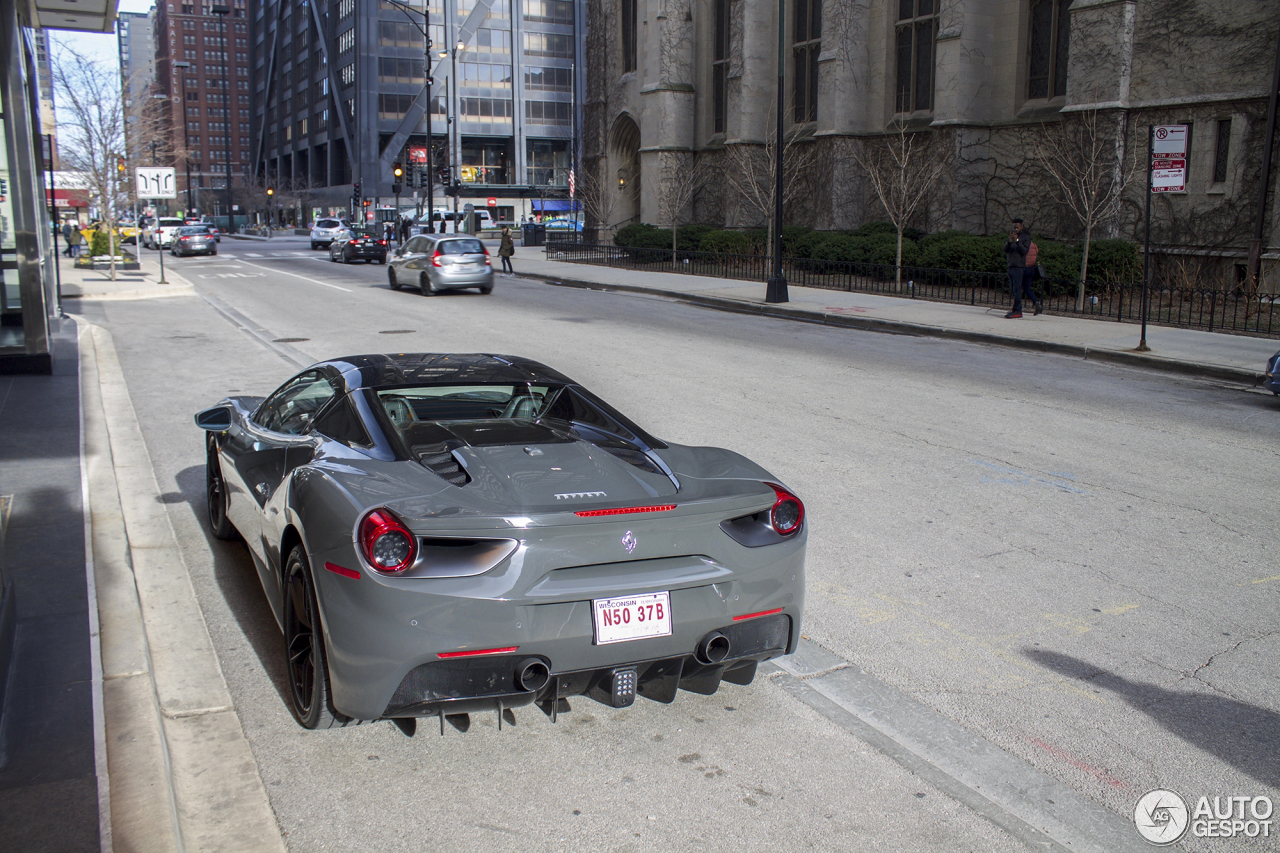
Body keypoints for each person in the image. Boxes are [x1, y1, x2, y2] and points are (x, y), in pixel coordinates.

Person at [1002, 218, 1031, 318]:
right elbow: (1005, 250)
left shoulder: (1025, 237)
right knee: (1013, 289)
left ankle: (1018, 310)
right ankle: (1015, 309)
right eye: (1014, 227)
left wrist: (1017, 241)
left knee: (1017, 289)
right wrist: (1009, 242)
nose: (1015, 230)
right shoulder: (1011, 237)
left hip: (1019, 266)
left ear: (1021, 227)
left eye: (1017, 227)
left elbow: (1024, 251)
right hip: (1011, 265)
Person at [1022, 238, 1045, 316]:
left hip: (1024, 268)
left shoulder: (1024, 246)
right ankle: (1036, 303)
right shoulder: (1035, 246)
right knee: (1027, 288)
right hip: (1031, 268)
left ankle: (1016, 307)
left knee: (1017, 287)